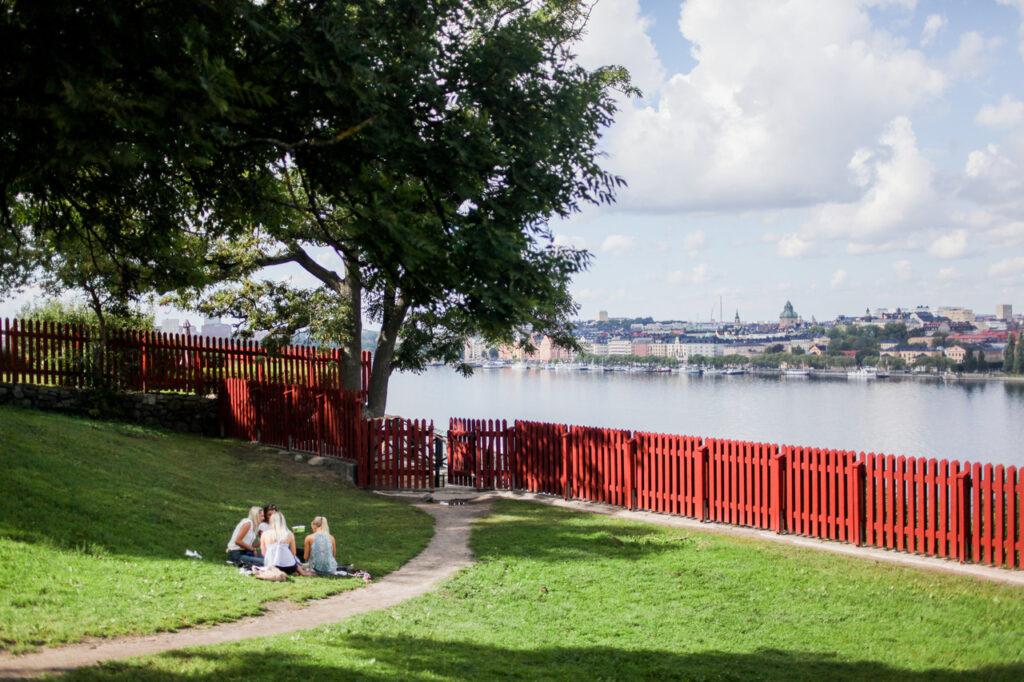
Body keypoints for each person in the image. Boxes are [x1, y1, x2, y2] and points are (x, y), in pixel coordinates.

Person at [259, 511, 314, 576]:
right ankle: (300, 571)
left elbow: (263, 553)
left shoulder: (265, 534)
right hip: (289, 566)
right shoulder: (289, 534)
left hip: (271, 565)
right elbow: (293, 553)